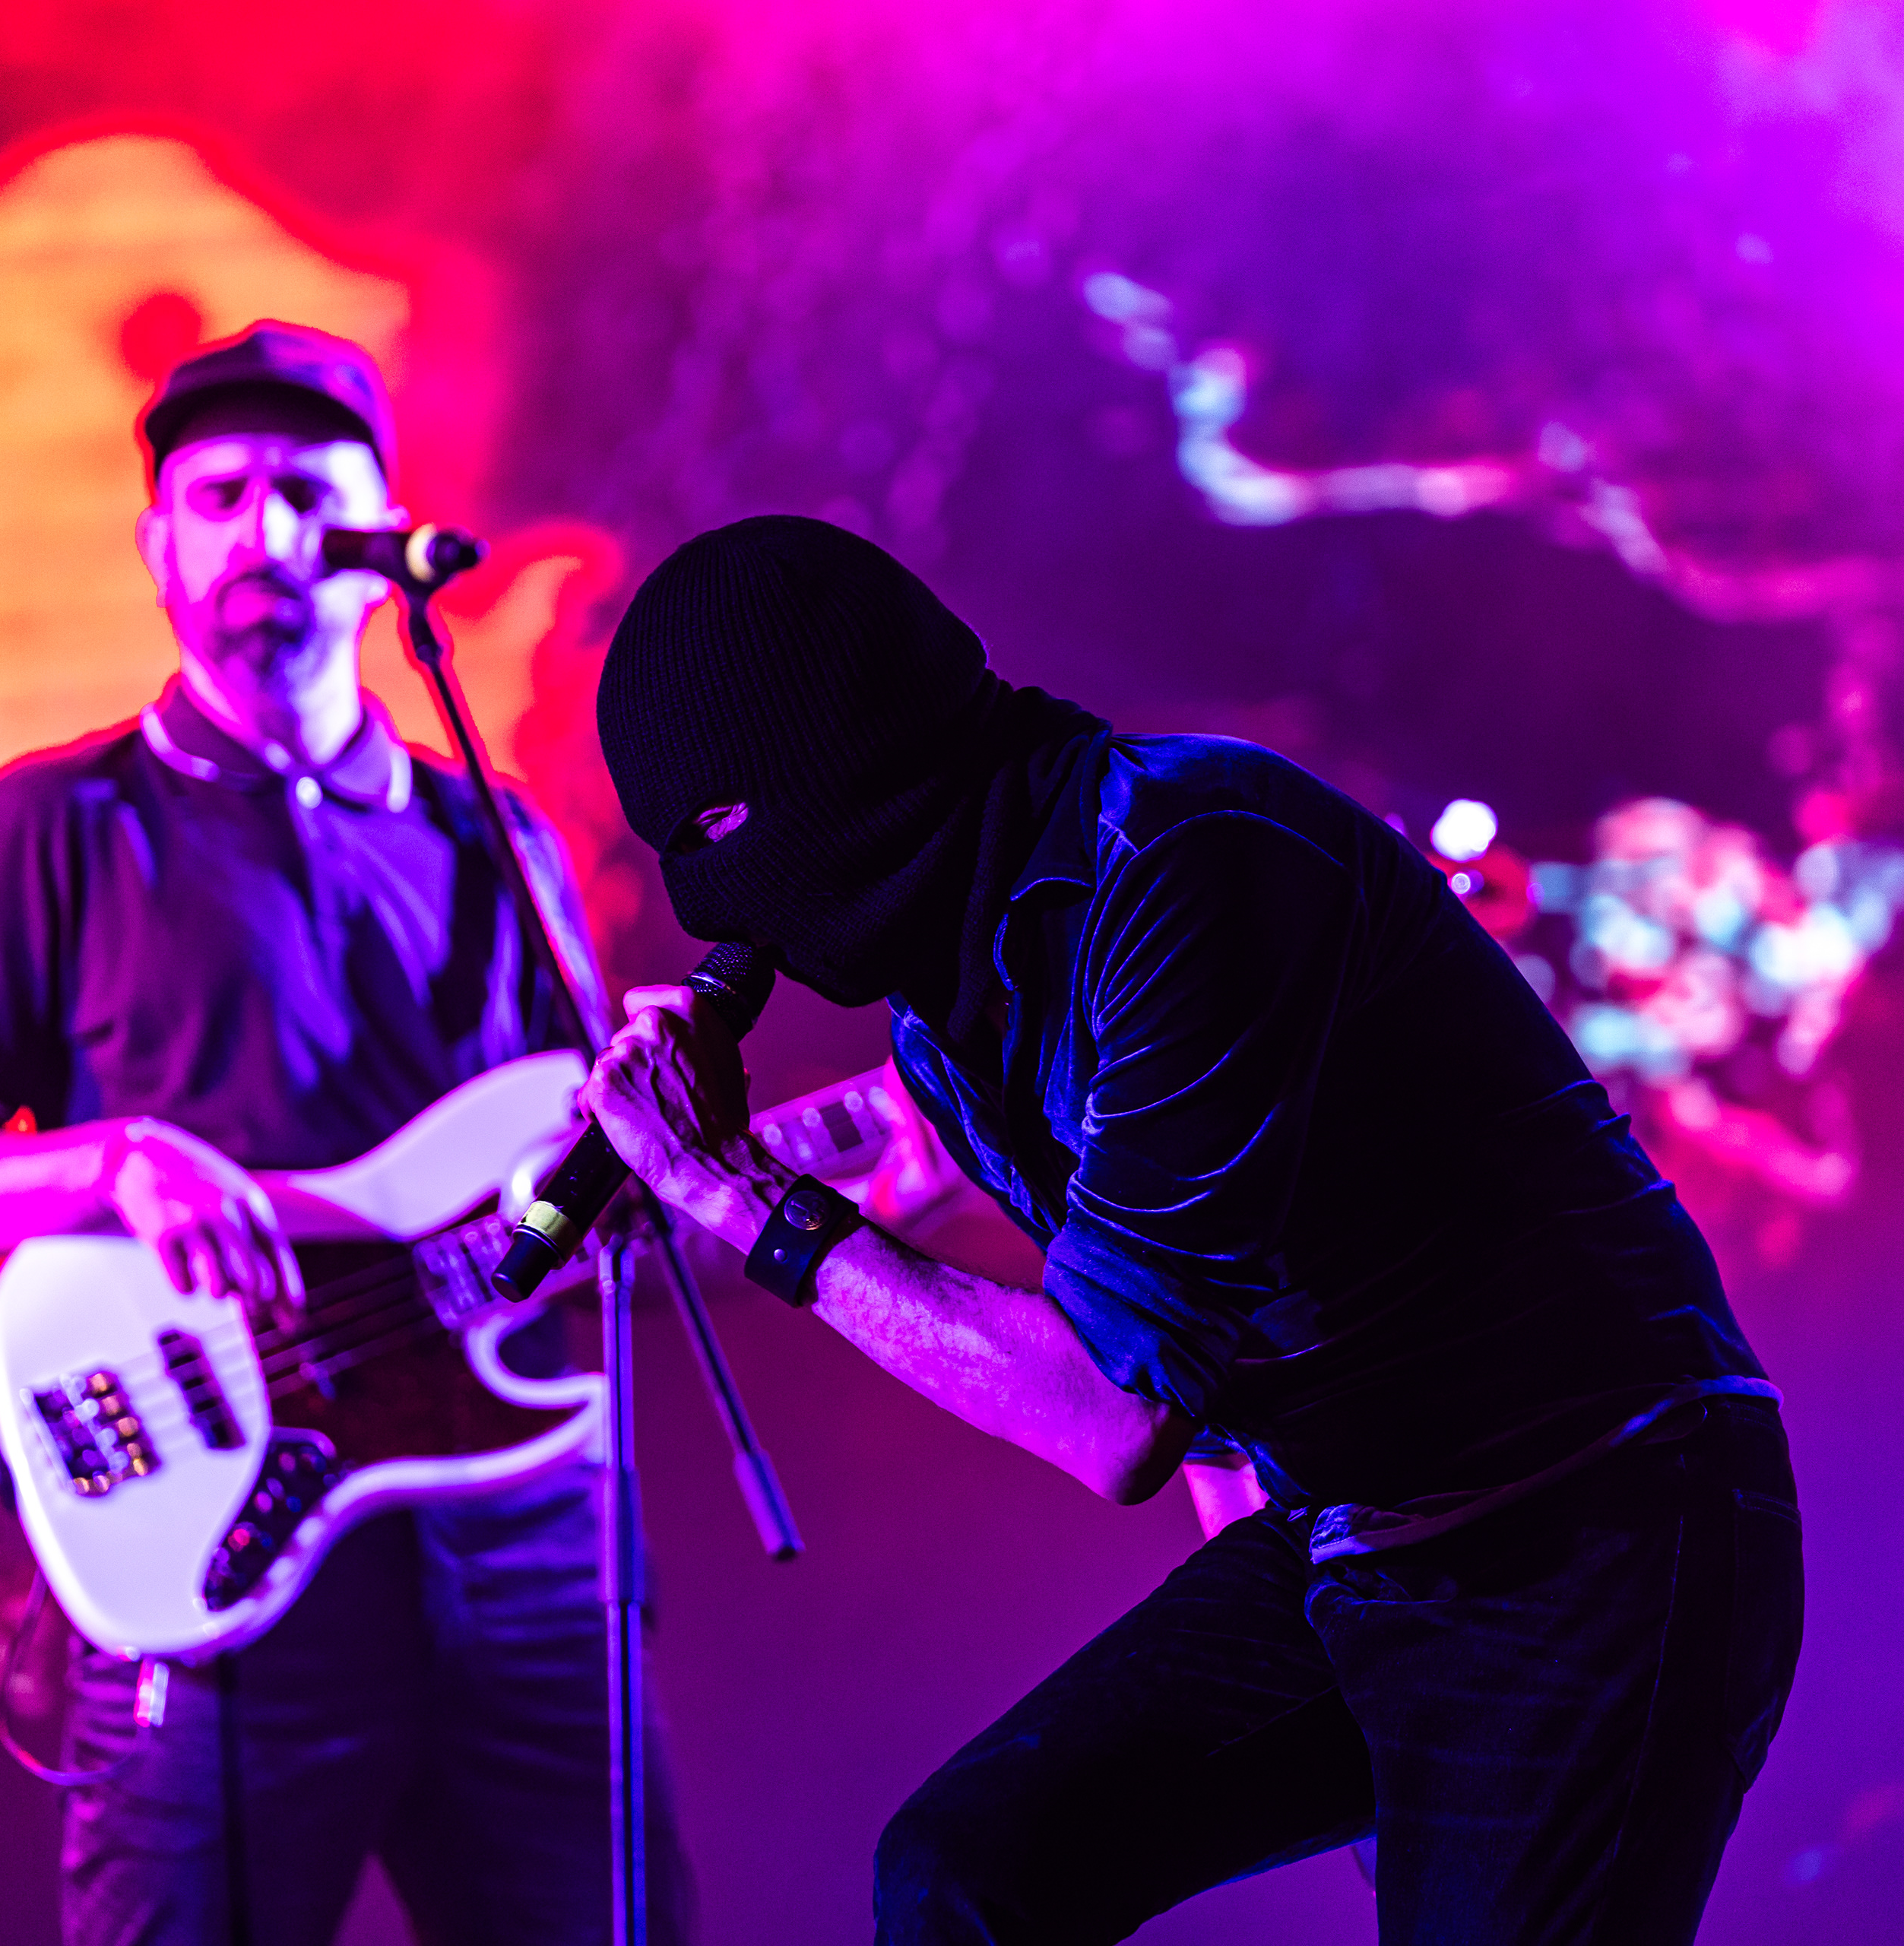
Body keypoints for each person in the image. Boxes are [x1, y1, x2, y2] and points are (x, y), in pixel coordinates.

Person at [578, 515, 1801, 1944]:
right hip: (1360, 1540)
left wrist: (742, 1199)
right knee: (963, 1875)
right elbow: (1202, 1405)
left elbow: (1112, 1420)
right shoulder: (950, 1012)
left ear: (841, 750)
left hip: (1596, 1524)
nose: (709, 903)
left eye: (720, 830)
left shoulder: (1187, 858)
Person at [0, 322, 689, 1946]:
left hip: (523, 1550)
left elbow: (595, 1193)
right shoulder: (56, 822)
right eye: (218, 496)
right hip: (223, 1553)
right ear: (157, 546)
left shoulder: (497, 836)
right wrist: (112, 1161)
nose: (264, 532)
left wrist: (782, 1175)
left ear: (383, 542)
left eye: (308, 493)